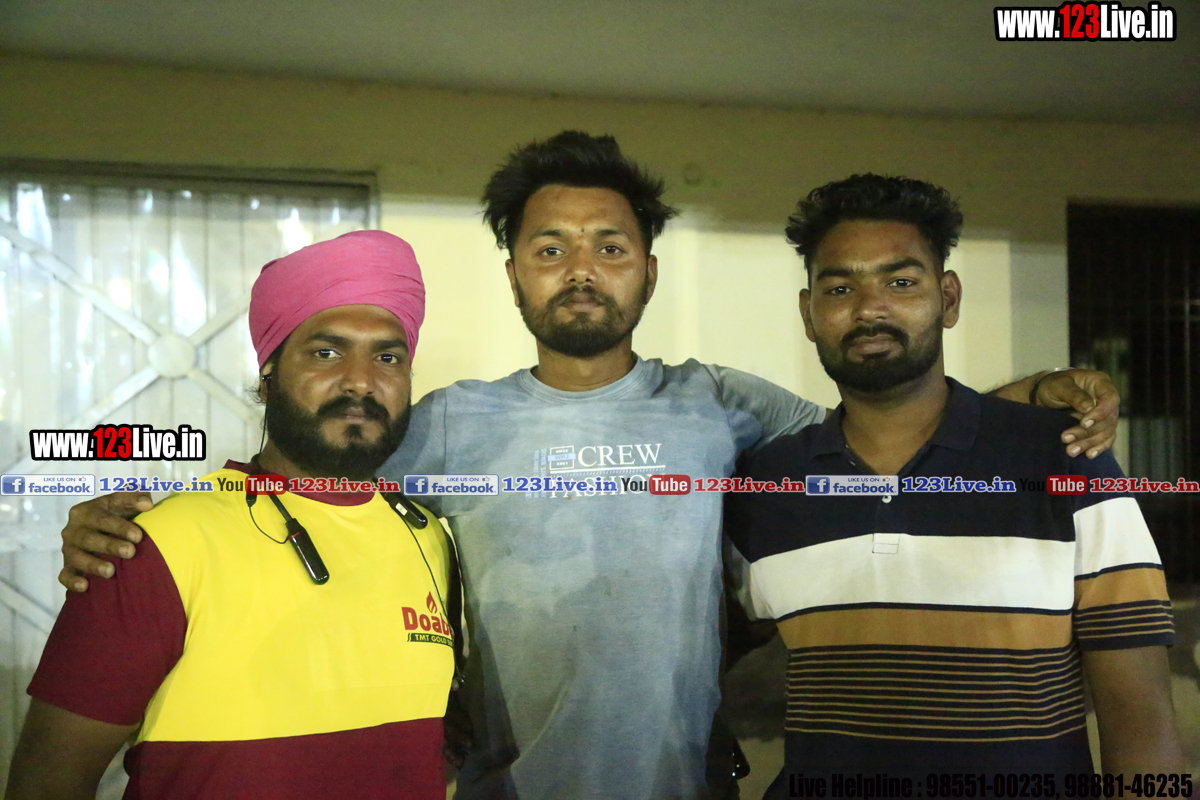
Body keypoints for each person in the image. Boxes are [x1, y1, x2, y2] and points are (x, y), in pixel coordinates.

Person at [55, 134, 1120, 800]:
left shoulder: (719, 403)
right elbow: (301, 478)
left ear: (647, 271)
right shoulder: (443, 425)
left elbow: (888, 419)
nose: (581, 271)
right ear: (514, 272)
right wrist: (134, 513)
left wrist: (1043, 393)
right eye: (550, 247)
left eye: (610, 247)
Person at [725, 174, 1189, 796]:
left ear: (948, 299)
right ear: (809, 314)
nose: (869, 308)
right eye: (840, 288)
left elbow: (1143, 720)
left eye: (900, 282)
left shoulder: (1066, 457)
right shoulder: (767, 485)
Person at [7, 232, 457, 800]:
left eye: (388, 357)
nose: (361, 381)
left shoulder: (428, 538)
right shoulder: (156, 544)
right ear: (267, 377)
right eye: (326, 352)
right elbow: (47, 781)